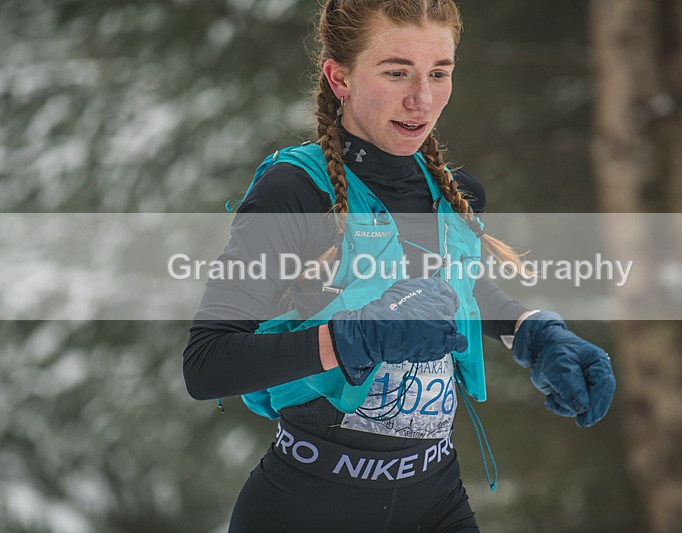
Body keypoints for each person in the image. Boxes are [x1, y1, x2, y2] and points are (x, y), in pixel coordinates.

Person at [182, 1, 616, 531]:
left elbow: (462, 293)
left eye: (439, 73)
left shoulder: (457, 194)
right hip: (305, 508)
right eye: (397, 72)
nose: (422, 99)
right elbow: (207, 364)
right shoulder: (294, 191)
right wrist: (353, 339)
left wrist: (535, 335)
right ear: (339, 77)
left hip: (435, 503)